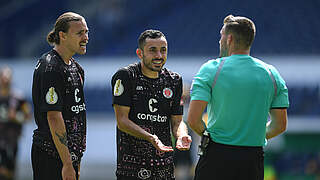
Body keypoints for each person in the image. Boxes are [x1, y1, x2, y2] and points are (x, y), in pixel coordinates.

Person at [187, 15, 289, 180]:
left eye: (221, 36)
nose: (219, 40)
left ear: (229, 39)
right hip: (252, 161)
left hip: (216, 157)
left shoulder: (210, 69)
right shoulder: (272, 74)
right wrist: (251, 136)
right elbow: (280, 125)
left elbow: (193, 120)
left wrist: (210, 137)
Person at [111, 29, 192, 180]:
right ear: (140, 53)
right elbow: (122, 121)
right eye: (153, 50)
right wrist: (150, 138)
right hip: (131, 167)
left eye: (163, 50)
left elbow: (177, 121)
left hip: (164, 166)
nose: (159, 56)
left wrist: (182, 135)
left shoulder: (174, 80)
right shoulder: (126, 76)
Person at [31, 12, 89, 180]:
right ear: (62, 35)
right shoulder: (51, 68)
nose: (85, 37)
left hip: (69, 156)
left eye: (86, 32)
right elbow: (54, 117)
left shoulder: (76, 68)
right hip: (51, 154)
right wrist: (67, 164)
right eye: (80, 33)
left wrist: (74, 159)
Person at [0, 66, 31, 180]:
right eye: (3, 78)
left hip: (12, 139)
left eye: (7, 78)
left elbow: (28, 116)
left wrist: (16, 117)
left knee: (10, 169)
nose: (5, 81)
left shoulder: (18, 98)